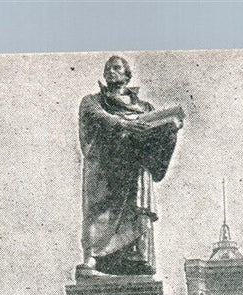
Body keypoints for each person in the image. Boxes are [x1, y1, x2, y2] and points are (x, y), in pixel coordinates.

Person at [78, 55, 182, 277]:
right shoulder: (92, 101)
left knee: (134, 212)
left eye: (116, 68)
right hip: (105, 169)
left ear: (127, 75)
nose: (110, 72)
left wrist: (169, 131)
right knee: (99, 213)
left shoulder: (144, 107)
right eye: (108, 69)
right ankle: (93, 258)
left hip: (133, 168)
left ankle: (132, 256)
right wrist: (126, 124)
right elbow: (99, 118)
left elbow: (155, 137)